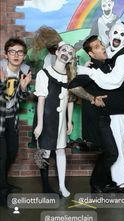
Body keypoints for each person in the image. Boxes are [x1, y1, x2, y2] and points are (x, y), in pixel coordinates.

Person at [74, 22, 124, 192]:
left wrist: (87, 70)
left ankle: (120, 181)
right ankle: (119, 180)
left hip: (122, 104)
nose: (117, 37)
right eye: (115, 33)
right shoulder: (111, 54)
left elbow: (114, 80)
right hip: (114, 107)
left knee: (116, 144)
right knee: (116, 145)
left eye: (121, 34)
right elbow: (73, 83)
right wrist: (83, 69)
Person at [33, 41, 76, 197]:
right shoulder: (43, 74)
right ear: (57, 52)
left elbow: (70, 100)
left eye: (70, 53)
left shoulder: (71, 78)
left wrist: (69, 120)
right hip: (46, 119)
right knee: (43, 152)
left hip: (61, 121)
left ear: (71, 59)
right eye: (64, 50)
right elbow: (41, 100)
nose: (66, 53)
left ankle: (62, 186)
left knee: (60, 151)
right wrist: (39, 124)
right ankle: (45, 186)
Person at [0, 38, 31, 206]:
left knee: (11, 153)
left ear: (24, 56)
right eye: (12, 52)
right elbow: (3, 97)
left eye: (20, 52)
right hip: (0, 118)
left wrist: (24, 88)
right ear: (6, 55)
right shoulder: (1, 69)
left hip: (12, 118)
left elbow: (19, 98)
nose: (16, 55)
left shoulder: (24, 71)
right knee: (2, 156)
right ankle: (2, 194)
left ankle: (3, 183)